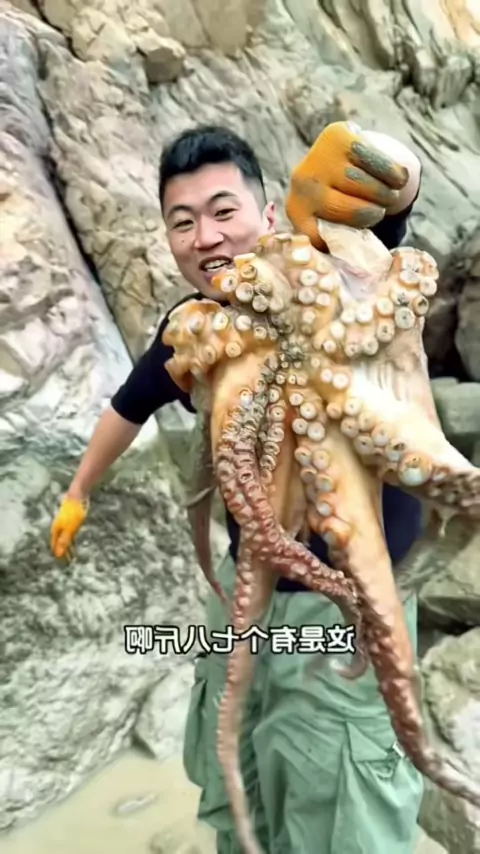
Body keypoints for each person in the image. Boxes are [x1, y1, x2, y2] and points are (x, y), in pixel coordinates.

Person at [50, 121, 425, 854]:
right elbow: (129, 405)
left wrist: (382, 162)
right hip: (244, 594)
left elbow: (396, 196)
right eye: (183, 221)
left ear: (270, 214)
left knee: (343, 806)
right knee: (239, 784)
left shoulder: (336, 282)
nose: (206, 237)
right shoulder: (194, 329)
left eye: (224, 211)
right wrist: (78, 492)